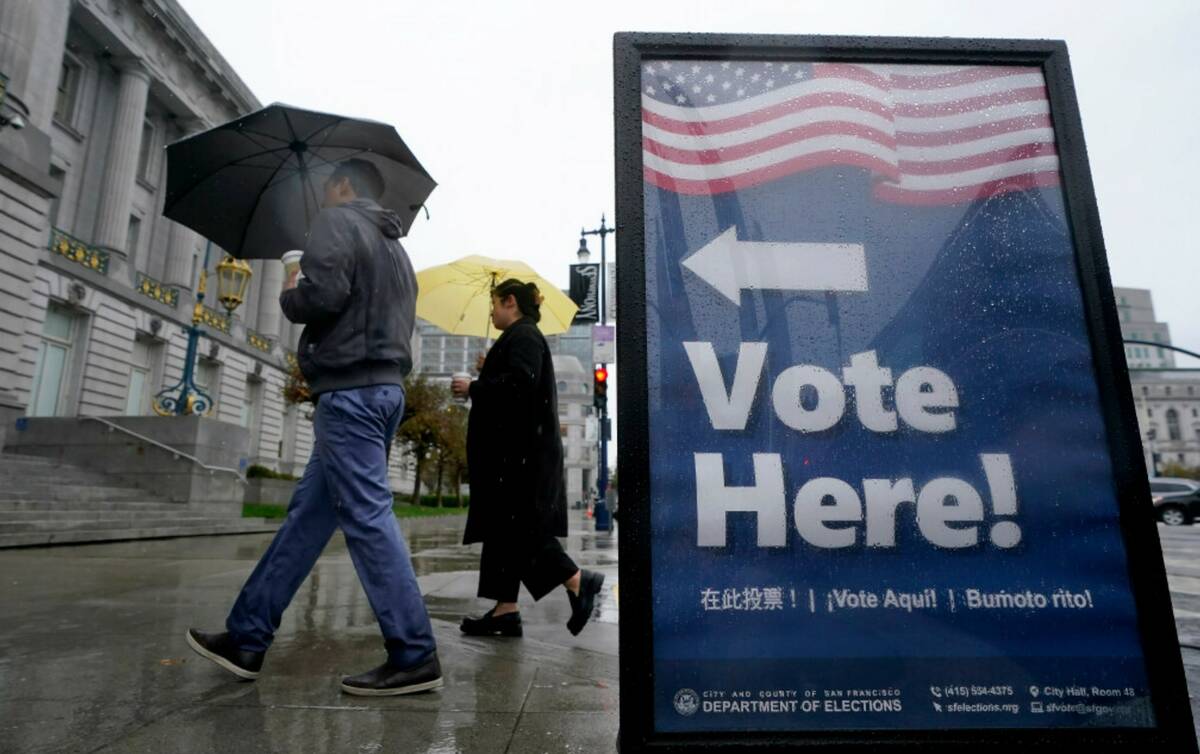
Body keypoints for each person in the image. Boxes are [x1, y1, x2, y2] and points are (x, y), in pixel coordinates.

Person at [186, 158, 441, 696]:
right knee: (307, 520)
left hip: (350, 391)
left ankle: (414, 652)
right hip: (383, 388)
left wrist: (290, 287)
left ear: (343, 186)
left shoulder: (336, 222)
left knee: (369, 519)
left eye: (326, 188)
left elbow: (320, 299)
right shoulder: (397, 250)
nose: (321, 198)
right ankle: (247, 637)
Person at [451, 279, 605, 638]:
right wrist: (489, 368)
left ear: (510, 302)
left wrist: (474, 386)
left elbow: (519, 387)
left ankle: (579, 580)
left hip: (520, 460)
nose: (491, 312)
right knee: (504, 533)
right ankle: (505, 611)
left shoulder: (524, 336)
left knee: (521, 532)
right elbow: (516, 380)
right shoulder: (521, 338)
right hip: (517, 458)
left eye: (494, 304)